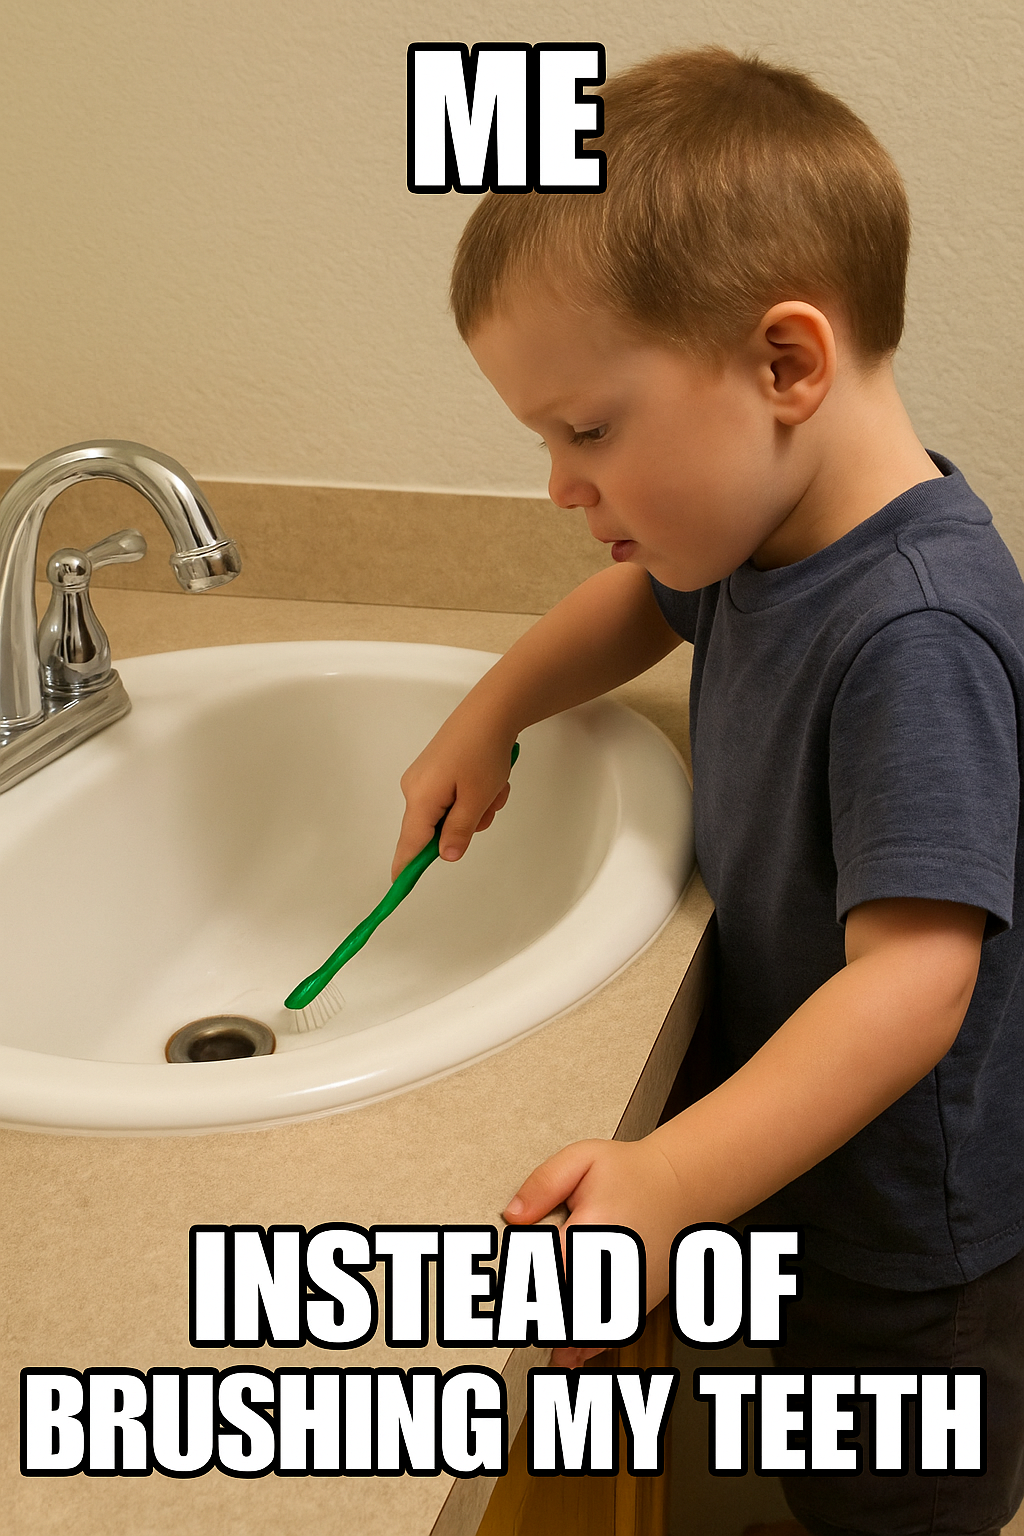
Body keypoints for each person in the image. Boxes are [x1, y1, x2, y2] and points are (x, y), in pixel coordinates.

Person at [392, 47, 1024, 1536]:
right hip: (810, 1170)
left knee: (890, 1501)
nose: (561, 485)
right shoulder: (762, 537)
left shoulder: (914, 628)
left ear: (786, 364)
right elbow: (636, 605)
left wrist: (671, 1179)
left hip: (909, 1250)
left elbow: (916, 986)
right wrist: (494, 709)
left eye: (588, 431)